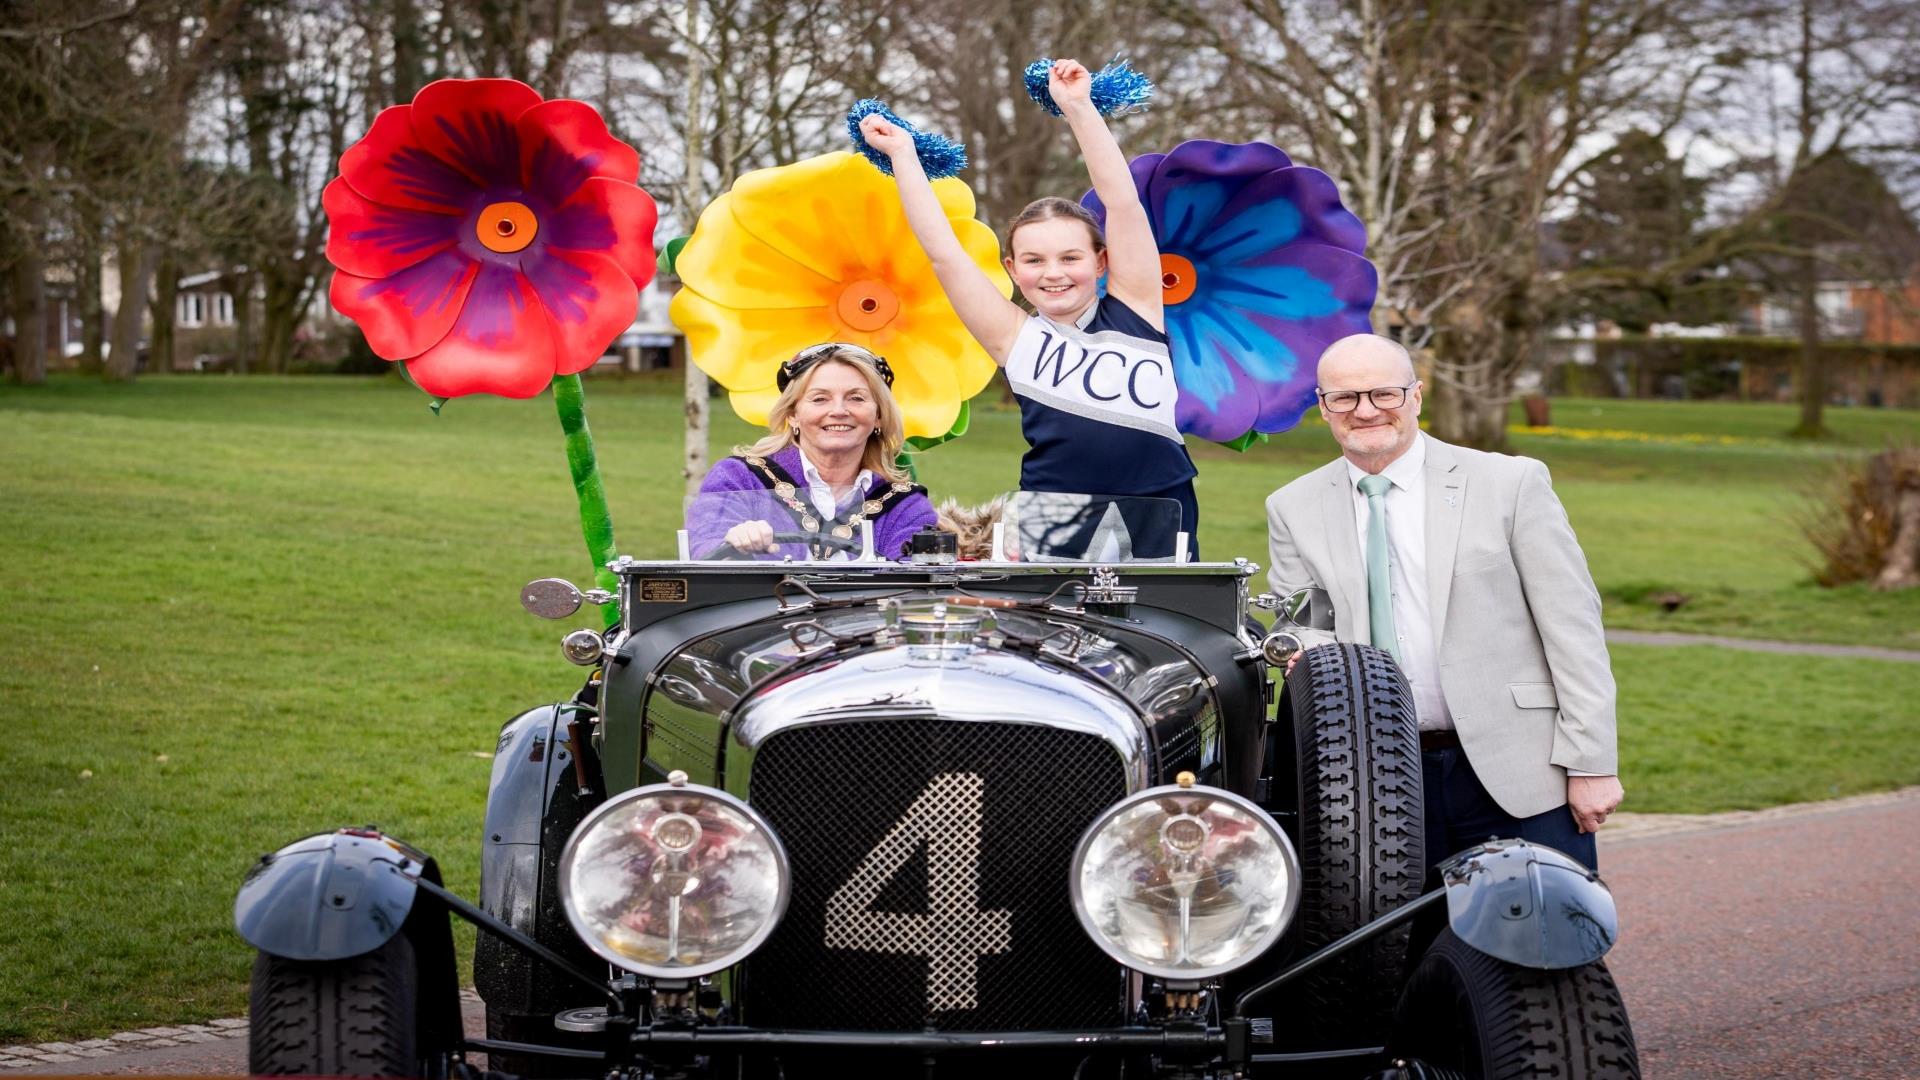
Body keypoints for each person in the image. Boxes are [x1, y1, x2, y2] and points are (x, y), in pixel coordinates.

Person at [1264, 333, 1623, 870]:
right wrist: (1310, 652)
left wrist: (1591, 762)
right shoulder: (1292, 506)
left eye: (1384, 394)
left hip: (1520, 769)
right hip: (1376, 778)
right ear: (1323, 407)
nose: (1365, 411)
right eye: (1344, 398)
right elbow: (1307, 622)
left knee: (1543, 944)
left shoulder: (1509, 483)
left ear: (1416, 395)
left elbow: (1572, 628)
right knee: (1399, 949)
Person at [860, 58, 1200, 555]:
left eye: (1070, 257)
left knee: (1166, 625)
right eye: (1034, 260)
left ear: (1102, 261)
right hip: (1052, 512)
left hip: (1162, 502)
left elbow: (1123, 202)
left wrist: (1079, 107)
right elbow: (945, 253)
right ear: (1013, 270)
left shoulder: (1139, 307)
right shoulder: (1014, 336)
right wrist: (903, 155)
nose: (1054, 272)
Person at [687, 343, 936, 561]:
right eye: (820, 399)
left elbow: (911, 589)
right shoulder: (740, 478)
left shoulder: (906, 505)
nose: (839, 410)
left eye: (856, 398)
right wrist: (733, 541)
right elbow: (706, 550)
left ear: (879, 416)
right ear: (793, 414)